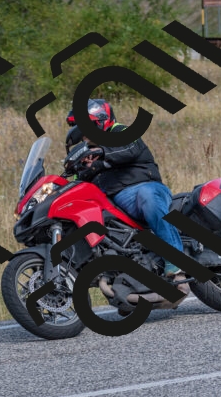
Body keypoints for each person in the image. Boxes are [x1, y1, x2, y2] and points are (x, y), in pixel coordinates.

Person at [65, 99, 184, 278]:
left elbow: (128, 149)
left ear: (100, 121)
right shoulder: (87, 153)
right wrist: (79, 171)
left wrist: (101, 154)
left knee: (147, 196)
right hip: (112, 202)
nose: (83, 133)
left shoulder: (121, 132)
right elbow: (79, 184)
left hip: (142, 188)